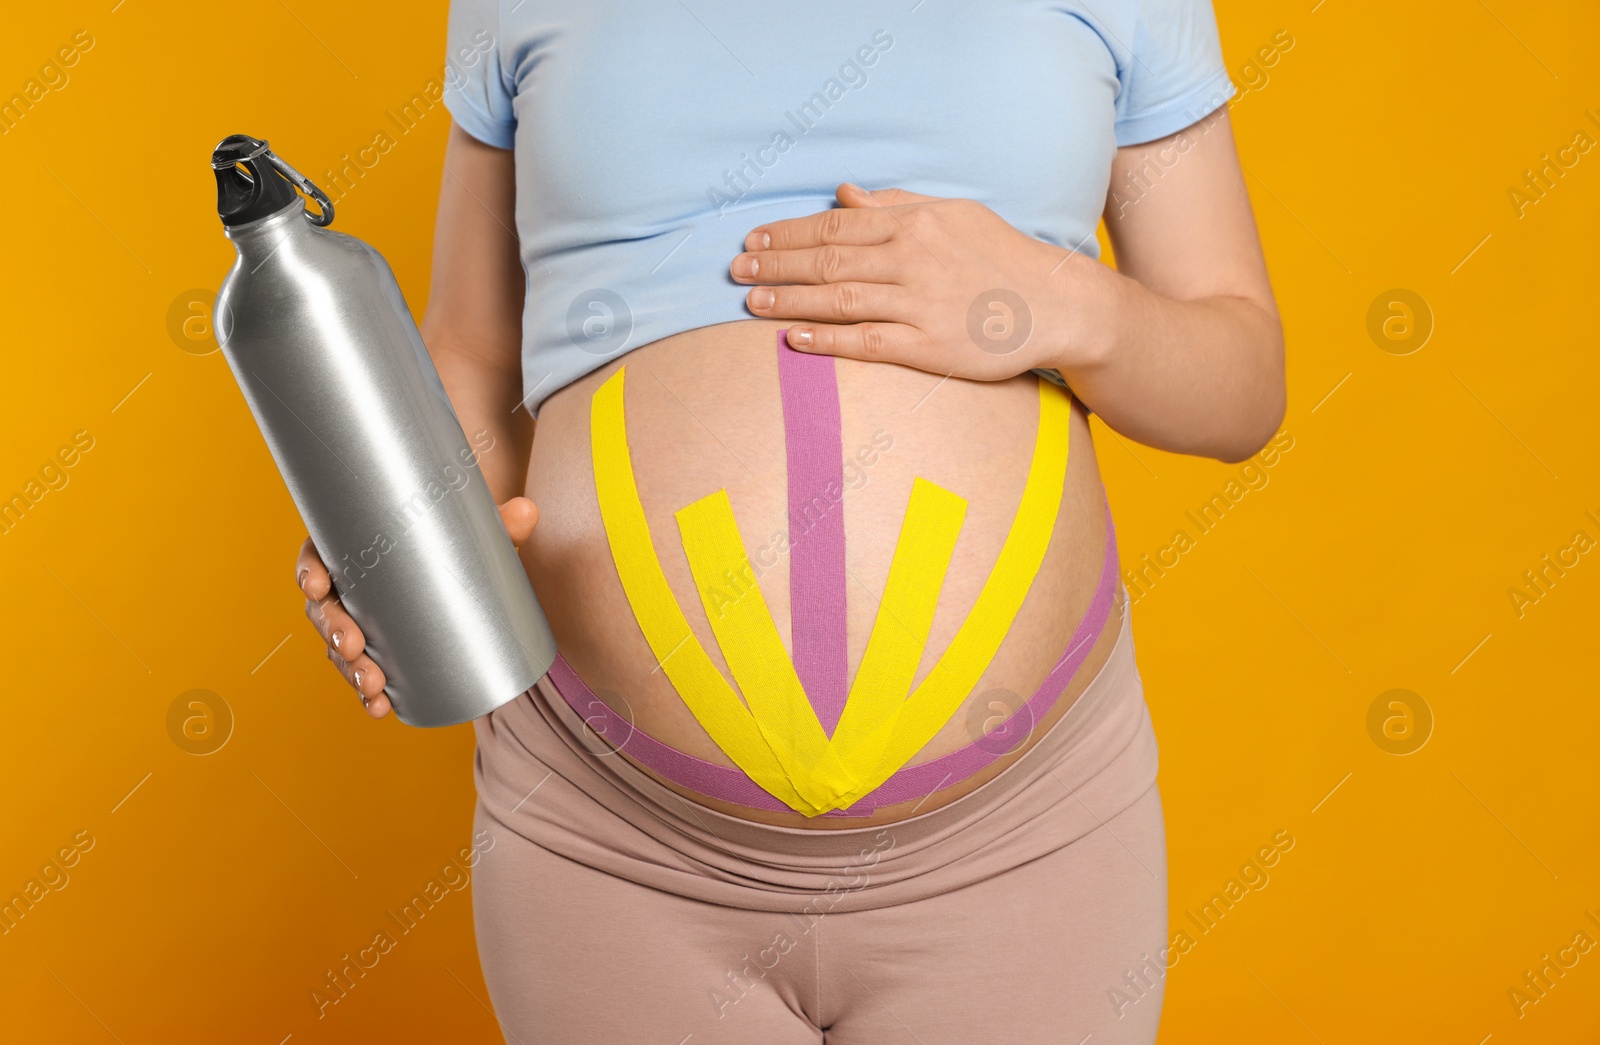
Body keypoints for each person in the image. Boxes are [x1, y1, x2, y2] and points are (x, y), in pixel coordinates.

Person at [295, 1, 1283, 1041]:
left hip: (1023, 833)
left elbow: (1240, 383)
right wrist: (398, 517)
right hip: (612, 834)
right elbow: (471, 356)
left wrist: (1065, 302)